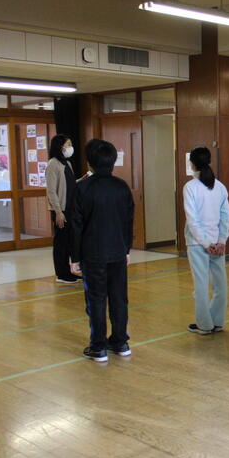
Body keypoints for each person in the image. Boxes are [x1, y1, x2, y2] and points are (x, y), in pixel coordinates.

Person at [69, 139, 135, 362]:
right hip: (118, 251)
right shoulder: (122, 187)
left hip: (92, 253)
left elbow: (76, 225)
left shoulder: (82, 188)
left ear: (89, 162)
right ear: (113, 161)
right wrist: (126, 249)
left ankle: (98, 347)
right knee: (119, 298)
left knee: (96, 299)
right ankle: (120, 342)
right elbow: (128, 221)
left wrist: (75, 257)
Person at [184, 147, 229, 335]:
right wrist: (221, 240)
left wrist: (205, 243)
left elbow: (192, 219)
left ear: (192, 164)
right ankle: (217, 321)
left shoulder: (191, 187)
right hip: (217, 244)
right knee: (220, 284)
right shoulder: (219, 186)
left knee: (201, 285)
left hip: (198, 244)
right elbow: (226, 216)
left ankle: (204, 325)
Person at [45, 134, 80, 284]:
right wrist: (58, 212)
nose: (71, 147)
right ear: (60, 147)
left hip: (71, 208)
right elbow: (51, 191)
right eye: (68, 144)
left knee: (70, 240)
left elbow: (68, 184)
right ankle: (61, 273)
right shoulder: (53, 164)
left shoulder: (67, 163)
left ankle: (70, 271)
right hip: (61, 209)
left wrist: (81, 180)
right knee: (61, 242)